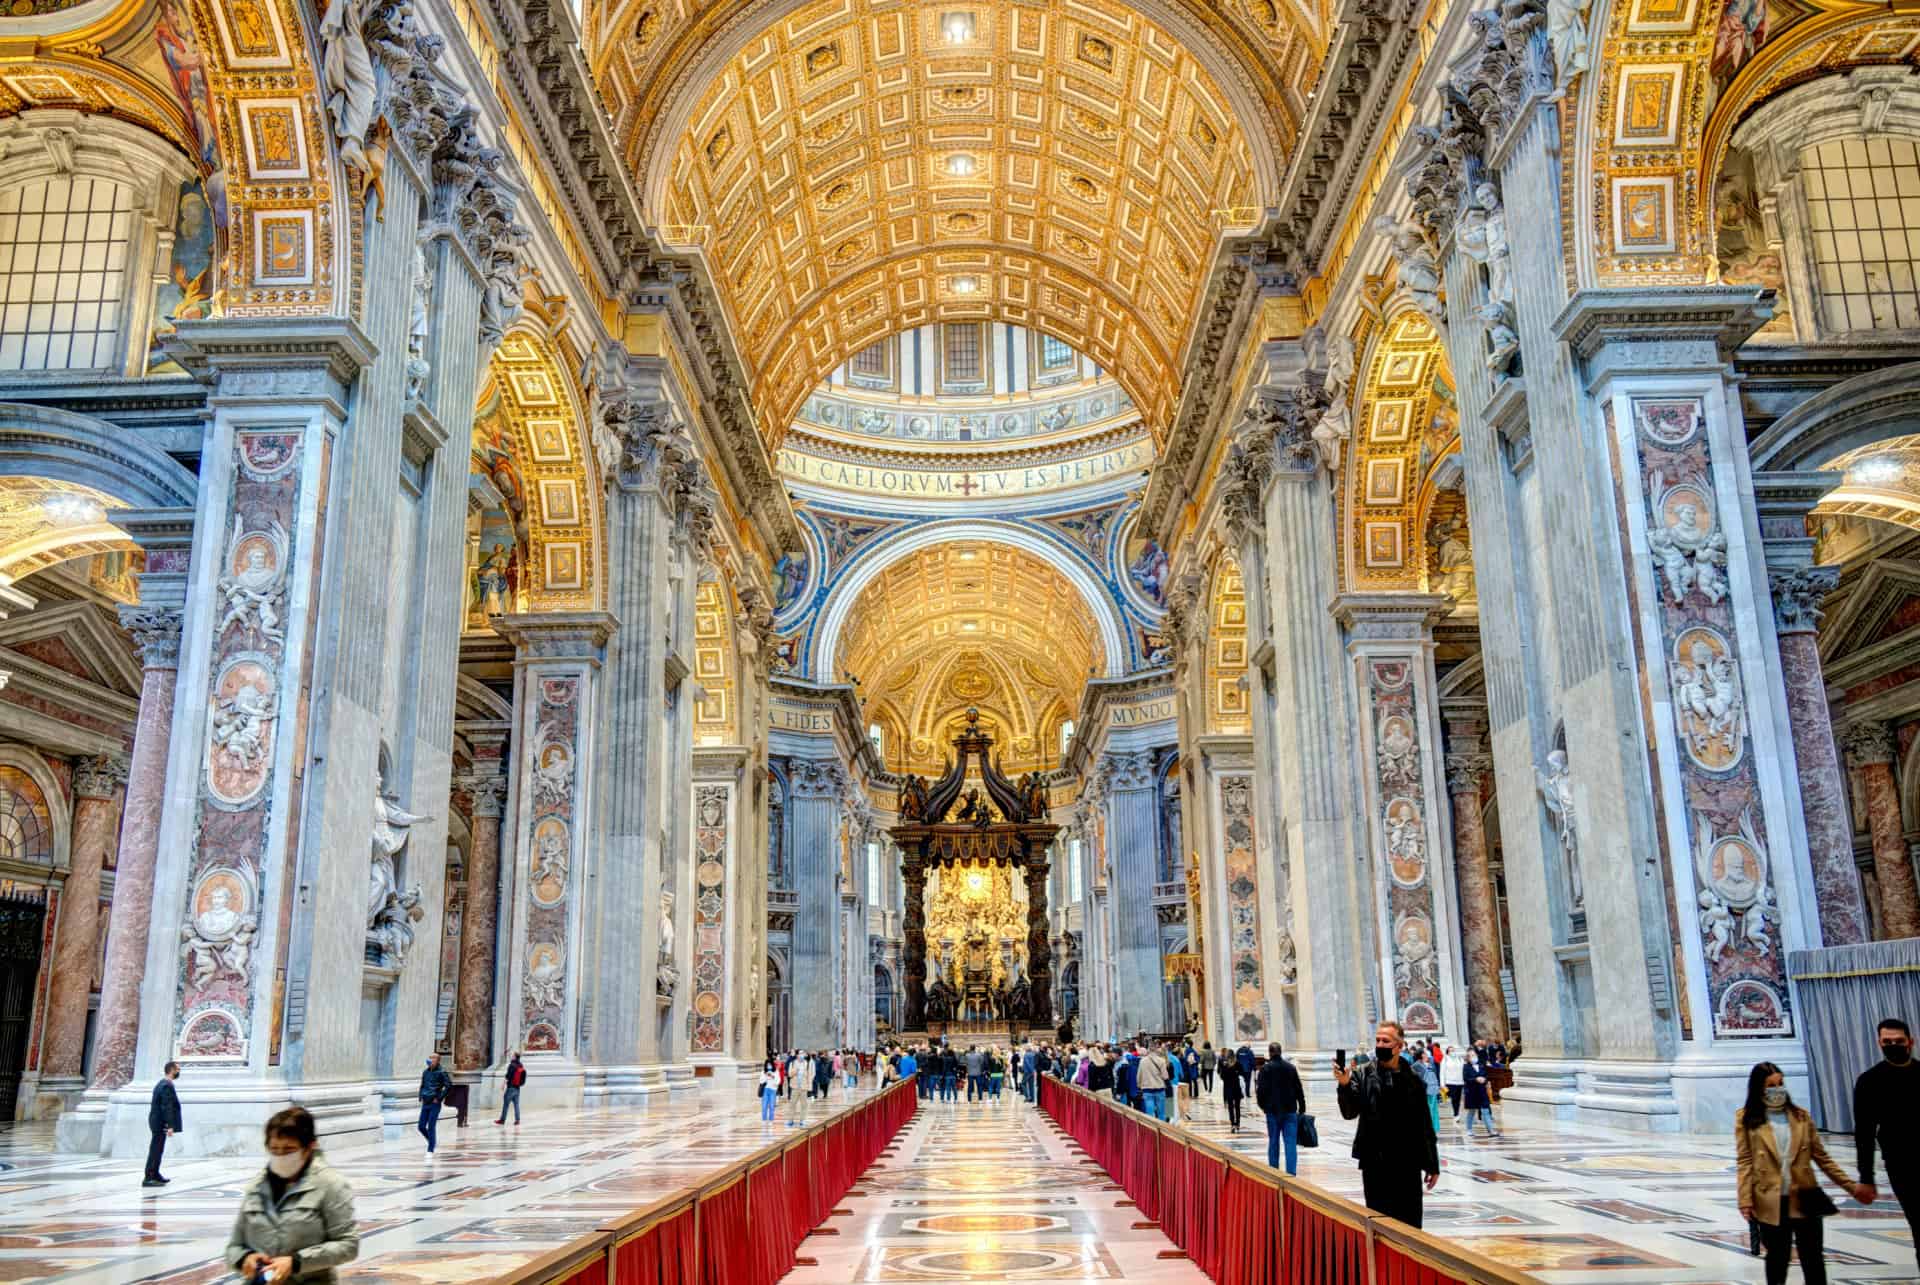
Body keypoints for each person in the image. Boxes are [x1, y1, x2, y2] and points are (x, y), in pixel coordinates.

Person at [1738, 1061, 1870, 1285]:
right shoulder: (1746, 1118)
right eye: (1770, 1085)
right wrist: (1745, 1199)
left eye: (1780, 1083)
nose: (1777, 1089)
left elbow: (1822, 1158)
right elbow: (1745, 1160)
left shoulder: (1801, 1116)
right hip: (1770, 1199)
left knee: (1813, 1258)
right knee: (1777, 1258)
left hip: (1804, 1197)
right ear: (1759, 1088)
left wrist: (1851, 1186)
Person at [227, 1107, 359, 1283]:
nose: (280, 1156)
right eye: (274, 1149)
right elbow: (234, 1247)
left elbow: (348, 1245)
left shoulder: (330, 1185)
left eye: (289, 1149)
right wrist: (245, 1258)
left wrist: (296, 1262)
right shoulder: (257, 1187)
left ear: (310, 1147)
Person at [1335, 1020, 1440, 1228]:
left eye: (1386, 1041)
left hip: (1407, 1163)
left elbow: (1424, 1125)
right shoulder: (1362, 1074)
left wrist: (1432, 1163)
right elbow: (1349, 1112)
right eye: (1378, 1040)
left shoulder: (1414, 1079)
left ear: (1399, 1046)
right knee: (1380, 1224)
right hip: (1376, 1162)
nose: (1380, 1045)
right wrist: (1345, 1085)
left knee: (1410, 1223)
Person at [1855, 1017, 1918, 1268]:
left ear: (1910, 1042)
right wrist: (1866, 1177)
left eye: (1899, 1041)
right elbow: (1864, 1133)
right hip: (1903, 1165)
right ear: (1879, 1043)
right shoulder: (1869, 1081)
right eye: (1887, 1042)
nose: (1893, 1045)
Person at [1254, 1042, 1306, 1174]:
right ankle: (1291, 1174)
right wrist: (1302, 1106)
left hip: (1272, 1111)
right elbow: (1298, 1089)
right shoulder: (1291, 1068)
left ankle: (1274, 1172)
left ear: (1270, 1053)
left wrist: (1264, 1107)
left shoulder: (1265, 1069)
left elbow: (1260, 1092)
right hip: (1290, 1110)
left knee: (1273, 1142)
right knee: (1290, 1144)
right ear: (1280, 1052)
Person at [144, 1061, 182, 1188]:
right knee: (156, 1149)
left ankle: (154, 1174)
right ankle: (149, 1177)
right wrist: (170, 1125)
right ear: (171, 1070)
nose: (179, 1072)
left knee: (158, 1149)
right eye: (177, 1069)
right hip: (159, 1122)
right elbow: (167, 1106)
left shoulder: (163, 1083)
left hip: (157, 1121)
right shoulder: (166, 1085)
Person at [418, 1052, 453, 1155]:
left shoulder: (442, 1072)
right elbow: (423, 1084)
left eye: (433, 1058)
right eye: (430, 1057)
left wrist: (439, 1097)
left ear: (438, 1060)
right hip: (425, 1101)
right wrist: (420, 1095)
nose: (431, 1059)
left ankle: (430, 1149)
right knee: (421, 1126)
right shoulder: (425, 1072)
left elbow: (448, 1085)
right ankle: (432, 1142)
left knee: (431, 1126)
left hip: (434, 1102)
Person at [1462, 1046, 1498, 1138]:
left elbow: (1485, 1075)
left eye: (1474, 1055)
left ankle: (1491, 1130)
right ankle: (1469, 1129)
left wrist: (1484, 1079)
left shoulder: (1481, 1065)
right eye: (1471, 1056)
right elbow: (1466, 1078)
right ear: (1468, 1058)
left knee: (1485, 1111)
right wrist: (1476, 1079)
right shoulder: (1466, 1067)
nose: (1474, 1057)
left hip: (1482, 1091)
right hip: (1472, 1092)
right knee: (1472, 1111)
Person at [1415, 1044, 1442, 1135]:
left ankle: (1434, 1129)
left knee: (1434, 1110)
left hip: (1433, 1090)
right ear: (1421, 1055)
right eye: (1425, 1054)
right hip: (1425, 1092)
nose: (1427, 1056)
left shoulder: (1430, 1064)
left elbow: (1434, 1076)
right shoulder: (1416, 1066)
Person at [1137, 1042, 1168, 1119]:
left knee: (1150, 1113)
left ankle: (1152, 1129)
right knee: (1161, 1113)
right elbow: (1165, 1076)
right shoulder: (1161, 1060)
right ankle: (1162, 1129)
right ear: (1156, 1049)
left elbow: (1139, 1076)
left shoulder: (1142, 1061)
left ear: (1148, 1049)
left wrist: (1139, 1086)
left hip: (1147, 1089)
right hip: (1159, 1088)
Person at [1219, 1049, 1247, 1132]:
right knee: (1237, 1107)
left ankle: (1232, 1124)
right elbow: (1243, 1073)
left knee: (1230, 1107)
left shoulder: (1225, 1065)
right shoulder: (1237, 1063)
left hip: (1228, 1088)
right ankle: (1238, 1124)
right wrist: (1236, 1073)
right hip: (1236, 1087)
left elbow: (1222, 1076)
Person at [496, 1050, 526, 1126]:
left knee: (506, 1104)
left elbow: (508, 1075)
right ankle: (517, 1120)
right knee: (516, 1104)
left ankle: (502, 1120)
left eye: (512, 1056)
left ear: (515, 1057)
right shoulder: (520, 1065)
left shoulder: (511, 1065)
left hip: (511, 1088)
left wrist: (503, 1084)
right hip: (517, 1088)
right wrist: (509, 1054)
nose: (511, 1057)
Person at [1441, 1044, 1466, 1120]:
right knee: (1454, 1098)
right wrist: (1442, 1084)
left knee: (1458, 1098)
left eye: (1453, 1050)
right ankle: (1456, 1113)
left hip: (1460, 1081)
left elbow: (1463, 1070)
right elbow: (1442, 1072)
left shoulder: (1459, 1059)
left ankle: (1457, 1112)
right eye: (1450, 1050)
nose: (1452, 1052)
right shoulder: (1445, 1059)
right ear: (1447, 1052)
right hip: (1450, 1082)